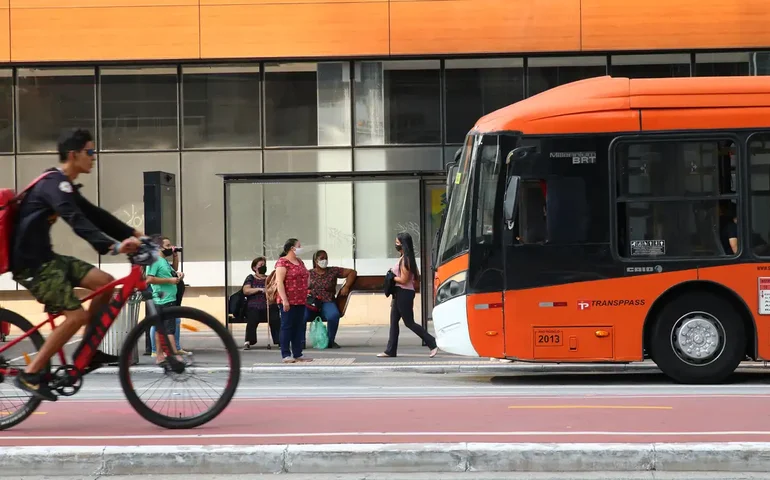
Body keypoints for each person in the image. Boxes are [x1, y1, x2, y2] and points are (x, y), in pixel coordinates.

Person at [10, 128, 142, 401]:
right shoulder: (53, 185)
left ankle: (88, 351)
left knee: (105, 284)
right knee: (76, 316)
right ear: (74, 154)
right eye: (90, 152)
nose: (94, 158)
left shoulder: (64, 186)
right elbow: (76, 220)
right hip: (32, 266)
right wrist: (114, 246)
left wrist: (137, 234)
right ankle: (30, 374)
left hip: (49, 260)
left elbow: (95, 215)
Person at [378, 232, 438, 358]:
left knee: (409, 322)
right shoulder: (405, 257)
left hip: (403, 293)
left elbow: (404, 280)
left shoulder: (406, 260)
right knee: (394, 322)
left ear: (403, 244)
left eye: (397, 243)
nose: (396, 245)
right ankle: (390, 350)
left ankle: (432, 342)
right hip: (399, 293)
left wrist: (392, 278)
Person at [304, 249, 357, 349]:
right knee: (301, 316)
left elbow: (352, 272)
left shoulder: (333, 271)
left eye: (326, 258)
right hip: (312, 302)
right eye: (321, 258)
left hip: (327, 301)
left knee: (333, 315)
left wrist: (346, 286)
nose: (324, 260)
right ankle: (300, 342)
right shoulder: (308, 273)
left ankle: (330, 341)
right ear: (316, 261)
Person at [145, 234, 182, 365]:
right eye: (167, 246)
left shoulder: (163, 261)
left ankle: (160, 356)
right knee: (170, 330)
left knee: (161, 329)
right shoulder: (155, 260)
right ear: (158, 247)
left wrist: (177, 274)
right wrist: (169, 280)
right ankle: (175, 356)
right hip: (164, 299)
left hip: (167, 298)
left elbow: (174, 270)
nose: (170, 248)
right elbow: (149, 279)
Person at [274, 238, 312, 364]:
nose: (301, 248)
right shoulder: (282, 263)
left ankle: (298, 353)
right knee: (287, 326)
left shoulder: (299, 261)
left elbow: (306, 276)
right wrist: (284, 300)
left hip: (300, 300)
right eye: (299, 246)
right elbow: (279, 282)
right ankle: (286, 354)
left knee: (298, 326)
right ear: (292, 248)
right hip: (288, 300)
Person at [242, 256, 268, 350]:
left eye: (264, 265)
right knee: (253, 316)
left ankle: (279, 340)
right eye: (261, 265)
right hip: (253, 305)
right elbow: (246, 290)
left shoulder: (269, 278)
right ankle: (248, 341)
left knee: (275, 315)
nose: (263, 266)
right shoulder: (251, 278)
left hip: (267, 305)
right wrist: (260, 289)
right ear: (254, 268)